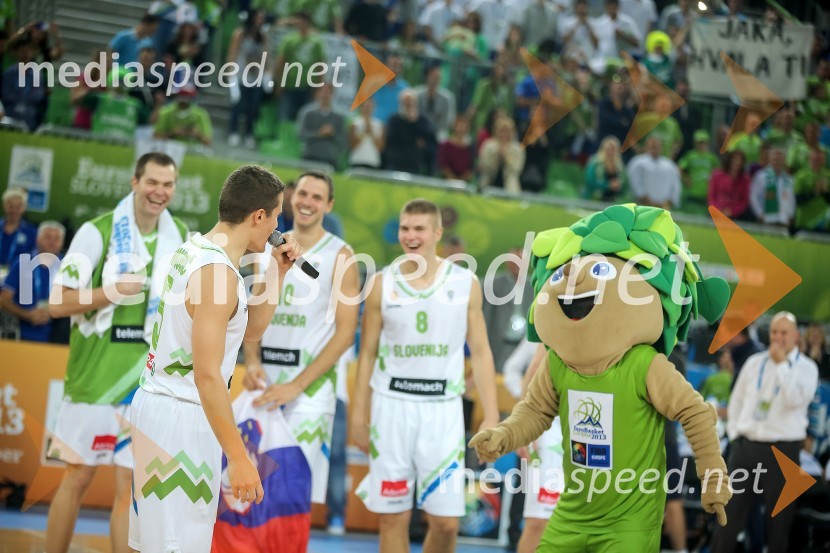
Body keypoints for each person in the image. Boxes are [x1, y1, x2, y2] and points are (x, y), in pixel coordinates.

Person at [129, 165, 302, 552]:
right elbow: (207, 376)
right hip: (180, 416)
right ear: (259, 216)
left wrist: (278, 271)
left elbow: (248, 332)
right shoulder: (218, 274)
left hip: (164, 408)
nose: (278, 224)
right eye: (277, 215)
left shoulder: (196, 249)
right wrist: (239, 457)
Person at [44, 153, 188, 553]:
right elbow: (56, 304)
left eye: (168, 184)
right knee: (77, 478)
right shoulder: (96, 231)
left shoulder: (180, 238)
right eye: (152, 182)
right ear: (134, 182)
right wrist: (111, 292)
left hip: (146, 385)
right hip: (94, 379)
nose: (160, 192)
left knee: (131, 486)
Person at [351, 199, 500, 553]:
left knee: (447, 524)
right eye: (405, 228)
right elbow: (367, 353)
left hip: (443, 411)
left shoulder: (465, 283)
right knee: (392, 518)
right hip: (392, 409)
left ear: (437, 233)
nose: (411, 236)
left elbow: (480, 351)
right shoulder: (380, 283)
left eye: (419, 229)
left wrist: (492, 415)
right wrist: (359, 414)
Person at [242, 171, 360, 533]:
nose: (308, 202)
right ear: (292, 197)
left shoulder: (341, 255)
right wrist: (251, 361)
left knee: (290, 494)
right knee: (249, 491)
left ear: (329, 205)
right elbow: (249, 311)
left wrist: (295, 387)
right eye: (303, 194)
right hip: (262, 385)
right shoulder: (261, 246)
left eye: (317, 197)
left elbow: (344, 335)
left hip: (308, 392)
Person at [711, 312, 819, 553]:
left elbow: (795, 400)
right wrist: (736, 434)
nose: (778, 337)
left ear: (795, 337)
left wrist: (781, 365)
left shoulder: (807, 368)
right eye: (774, 332)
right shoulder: (754, 362)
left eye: (783, 333)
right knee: (727, 519)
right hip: (746, 447)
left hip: (784, 451)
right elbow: (737, 400)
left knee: (778, 524)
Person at [0, 221, 64, 342]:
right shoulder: (23, 263)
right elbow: (4, 300)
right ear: (37, 239)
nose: (52, 242)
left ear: (62, 243)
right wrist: (27, 315)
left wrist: (52, 312)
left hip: (56, 336)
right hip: (20, 333)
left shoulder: (67, 267)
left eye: (57, 238)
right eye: (48, 237)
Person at [749, 146, 795, 227]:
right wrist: (759, 214)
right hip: (766, 219)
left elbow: (791, 199)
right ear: (769, 160)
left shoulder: (788, 179)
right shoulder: (761, 176)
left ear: (783, 160)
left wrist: (790, 216)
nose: (777, 162)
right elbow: (754, 197)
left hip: (783, 220)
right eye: (775, 159)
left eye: (779, 159)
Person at [0, 188, 37, 284]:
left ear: (24, 207)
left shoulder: (31, 233)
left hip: (17, 279)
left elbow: (32, 258)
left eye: (18, 206)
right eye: (11, 206)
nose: (14, 210)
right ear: (4, 205)